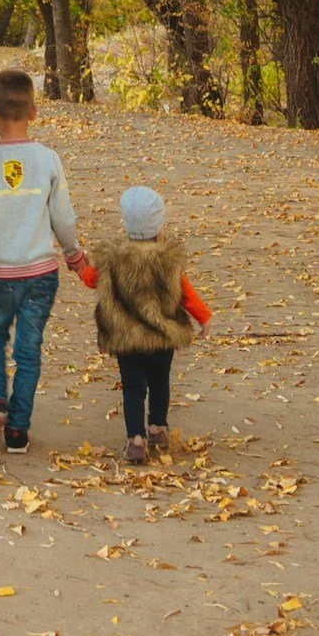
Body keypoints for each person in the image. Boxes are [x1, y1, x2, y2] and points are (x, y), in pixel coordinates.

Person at [0, 67, 95, 456]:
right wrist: (75, 258)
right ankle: (18, 431)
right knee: (28, 351)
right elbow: (63, 218)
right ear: (34, 113)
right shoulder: (48, 159)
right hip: (41, 273)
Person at [92, 186, 211, 465]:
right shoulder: (168, 262)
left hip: (127, 339)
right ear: (160, 229)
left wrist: (79, 265)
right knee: (160, 381)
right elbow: (186, 293)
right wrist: (203, 317)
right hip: (161, 337)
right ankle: (157, 428)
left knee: (133, 387)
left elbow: (91, 278)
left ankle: (135, 440)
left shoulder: (113, 260)